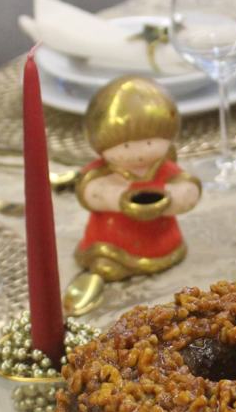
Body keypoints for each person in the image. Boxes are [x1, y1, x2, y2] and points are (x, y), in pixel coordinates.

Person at [75, 75, 201, 281]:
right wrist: (115, 197)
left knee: (163, 248)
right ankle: (109, 260)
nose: (140, 153)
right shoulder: (105, 171)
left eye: (150, 143)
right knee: (106, 260)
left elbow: (186, 185)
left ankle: (164, 254)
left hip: (158, 235)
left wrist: (174, 198)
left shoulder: (162, 168)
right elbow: (89, 191)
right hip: (113, 236)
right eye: (125, 146)